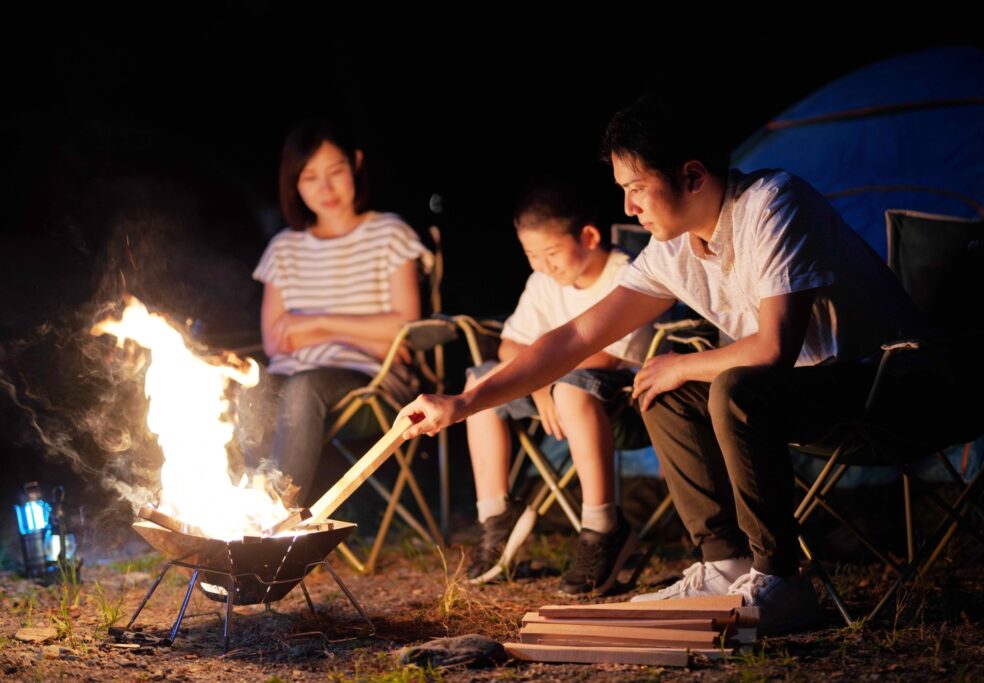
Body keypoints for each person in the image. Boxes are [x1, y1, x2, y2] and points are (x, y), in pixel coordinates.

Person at [398, 94, 947, 635]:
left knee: (723, 382)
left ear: (691, 176)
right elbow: (576, 335)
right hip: (812, 390)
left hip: (891, 385)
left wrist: (685, 365)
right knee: (659, 385)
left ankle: (781, 578)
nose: (628, 208)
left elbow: (774, 346)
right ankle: (723, 562)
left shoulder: (772, 203)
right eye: (623, 191)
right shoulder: (676, 250)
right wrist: (465, 401)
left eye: (636, 189)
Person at [463, 180, 652, 595]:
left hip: (628, 403)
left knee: (569, 386)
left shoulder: (626, 274)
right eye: (532, 255)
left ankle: (603, 526)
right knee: (480, 380)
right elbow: (511, 343)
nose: (542, 265)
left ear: (588, 236)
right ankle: (496, 516)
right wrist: (535, 386)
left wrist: (545, 380)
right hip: (557, 394)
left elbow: (608, 356)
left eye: (550, 253)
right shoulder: (545, 282)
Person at [251, 120, 425, 504]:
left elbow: (405, 330)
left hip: (370, 385)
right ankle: (225, 520)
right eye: (310, 177)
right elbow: (276, 342)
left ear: (356, 163)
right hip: (289, 381)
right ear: (294, 182)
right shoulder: (284, 249)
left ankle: (276, 522)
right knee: (237, 389)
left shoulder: (390, 234)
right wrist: (367, 330)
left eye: (335, 172)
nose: (324, 188)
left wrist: (315, 323)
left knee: (304, 386)